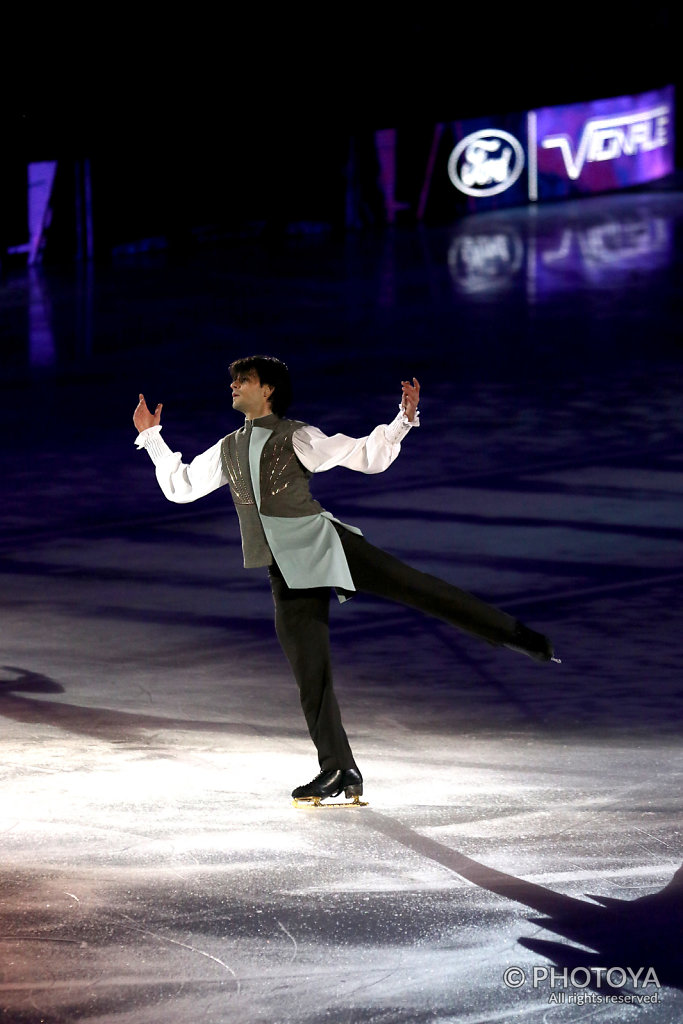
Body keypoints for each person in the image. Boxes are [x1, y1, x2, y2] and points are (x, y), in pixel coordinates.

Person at [133, 355, 556, 805]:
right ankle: (339, 769)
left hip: (326, 545)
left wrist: (401, 422)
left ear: (269, 389)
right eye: (233, 379)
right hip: (286, 572)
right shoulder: (227, 449)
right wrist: (151, 436)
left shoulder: (297, 435)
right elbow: (180, 487)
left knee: (418, 587)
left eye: (245, 379)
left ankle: (515, 634)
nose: (234, 385)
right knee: (310, 675)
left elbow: (363, 455)